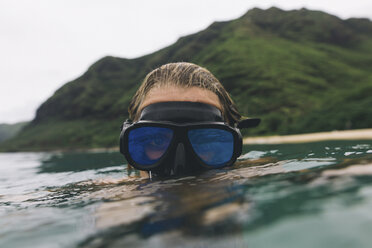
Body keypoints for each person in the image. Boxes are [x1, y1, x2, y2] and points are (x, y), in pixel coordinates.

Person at [119, 62, 260, 177]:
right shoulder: (113, 202)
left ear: (235, 148)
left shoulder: (261, 172)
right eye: (157, 141)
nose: (179, 168)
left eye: (205, 139)